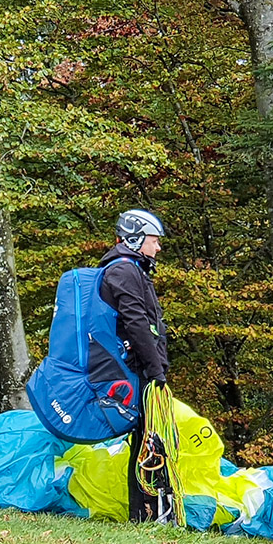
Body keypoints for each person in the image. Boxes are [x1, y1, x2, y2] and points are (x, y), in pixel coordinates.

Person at [99, 209, 169, 522]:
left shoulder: (131, 270)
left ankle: (146, 512)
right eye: (154, 241)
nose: (158, 248)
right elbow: (137, 323)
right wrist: (156, 372)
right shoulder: (124, 271)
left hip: (142, 369)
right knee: (146, 440)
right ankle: (144, 513)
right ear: (136, 238)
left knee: (147, 437)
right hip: (138, 372)